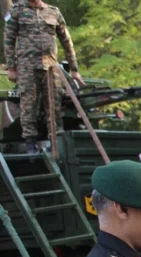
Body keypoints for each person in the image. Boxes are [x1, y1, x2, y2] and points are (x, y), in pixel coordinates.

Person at [4, 0, 84, 154]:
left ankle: (56, 143)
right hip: (27, 67)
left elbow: (67, 41)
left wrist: (74, 69)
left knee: (54, 106)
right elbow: (9, 41)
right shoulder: (17, 11)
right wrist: (12, 67)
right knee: (28, 106)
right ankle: (30, 144)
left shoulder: (53, 12)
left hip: (51, 68)